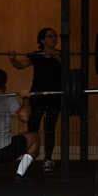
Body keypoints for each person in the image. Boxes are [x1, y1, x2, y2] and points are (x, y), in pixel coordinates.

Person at [9, 28, 61, 172]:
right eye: (49, 36)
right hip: (37, 97)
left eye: (54, 36)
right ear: (42, 40)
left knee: (49, 129)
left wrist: (55, 56)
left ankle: (48, 159)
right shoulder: (35, 55)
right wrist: (13, 59)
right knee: (32, 129)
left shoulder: (60, 54)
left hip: (54, 97)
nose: (53, 39)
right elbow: (20, 65)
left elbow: (67, 69)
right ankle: (28, 158)